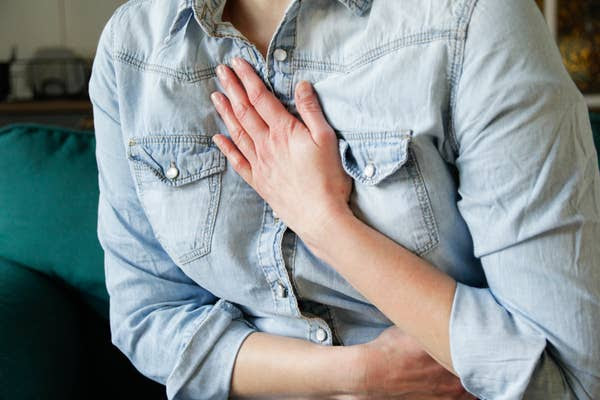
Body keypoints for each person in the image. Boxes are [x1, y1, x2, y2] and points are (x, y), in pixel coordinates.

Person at [88, 0, 600, 399]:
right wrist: (358, 376)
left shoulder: (474, 20)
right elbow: (148, 317)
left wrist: (325, 223)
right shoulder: (131, 48)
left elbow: (564, 379)